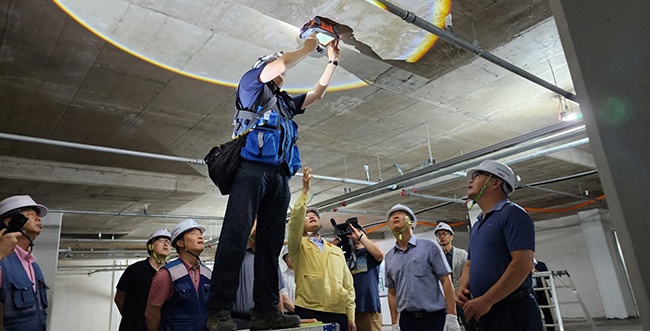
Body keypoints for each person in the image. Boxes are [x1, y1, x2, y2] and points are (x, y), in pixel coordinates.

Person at [207, 33, 341, 331]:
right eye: (277, 69)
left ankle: (266, 311)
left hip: (279, 177)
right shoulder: (251, 84)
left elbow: (317, 94)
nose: (282, 73)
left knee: (269, 245)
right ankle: (219, 312)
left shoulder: (283, 103)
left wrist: (332, 61)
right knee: (235, 238)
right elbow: (277, 64)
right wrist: (308, 47)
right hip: (250, 171)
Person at [455, 160, 542, 331]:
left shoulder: (512, 214)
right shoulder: (478, 224)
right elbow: (470, 263)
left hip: (512, 309)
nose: (470, 180)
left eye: (478, 175)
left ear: (496, 182)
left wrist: (487, 299)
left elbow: (523, 263)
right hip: (484, 309)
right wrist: (463, 288)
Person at [287, 167, 356, 331]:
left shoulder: (336, 251)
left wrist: (351, 315)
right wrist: (305, 191)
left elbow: (348, 286)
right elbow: (295, 221)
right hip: (309, 310)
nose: (312, 216)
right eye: (307, 215)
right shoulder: (299, 245)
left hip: (339, 312)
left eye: (315, 215)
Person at [384, 204, 460, 331]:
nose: (395, 216)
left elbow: (446, 280)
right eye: (391, 215)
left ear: (412, 222)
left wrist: (452, 316)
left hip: (433, 318)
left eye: (401, 213)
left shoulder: (429, 247)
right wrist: (394, 324)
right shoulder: (390, 257)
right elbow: (392, 292)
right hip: (407, 321)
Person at [145, 219, 211, 331]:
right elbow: (151, 313)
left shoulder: (208, 274)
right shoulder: (167, 273)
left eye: (200, 234)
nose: (200, 237)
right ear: (180, 243)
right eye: (193, 233)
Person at [0, 195, 49, 331]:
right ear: (10, 223)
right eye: (30, 215)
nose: (38, 218)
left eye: (37, 216)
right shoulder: (3, 261)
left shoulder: (33, 266)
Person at [232, 221, 289, 330]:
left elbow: (277, 291)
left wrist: (280, 316)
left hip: (266, 322)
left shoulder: (270, 259)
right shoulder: (237, 254)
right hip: (239, 321)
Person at [115, 229, 172, 331]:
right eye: (161, 240)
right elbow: (119, 298)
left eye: (168, 242)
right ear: (150, 246)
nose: (166, 244)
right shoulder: (135, 270)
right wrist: (130, 319)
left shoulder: (172, 273)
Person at [434, 222, 475, 331]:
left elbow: (467, 275)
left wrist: (460, 291)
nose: (442, 236)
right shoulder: (436, 257)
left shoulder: (462, 254)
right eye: (439, 235)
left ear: (451, 236)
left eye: (445, 233)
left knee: (469, 324)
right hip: (445, 299)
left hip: (461, 296)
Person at [349, 223, 384, 331]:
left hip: (368, 306)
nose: (353, 233)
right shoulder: (345, 255)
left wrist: (360, 237)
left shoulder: (369, 253)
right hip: (349, 309)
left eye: (357, 230)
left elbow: (380, 255)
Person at [533, 259, 555, 331]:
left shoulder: (541, 264)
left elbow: (547, 276)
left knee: (547, 311)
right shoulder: (524, 264)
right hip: (531, 291)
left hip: (543, 291)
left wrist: (537, 272)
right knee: (534, 312)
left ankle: (551, 329)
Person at [279, 246, 296, 314]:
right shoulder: (282, 277)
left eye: (295, 255)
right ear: (284, 259)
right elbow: (285, 300)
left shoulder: (304, 277)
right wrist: (299, 313)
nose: (292, 258)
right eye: (289, 255)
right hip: (290, 314)